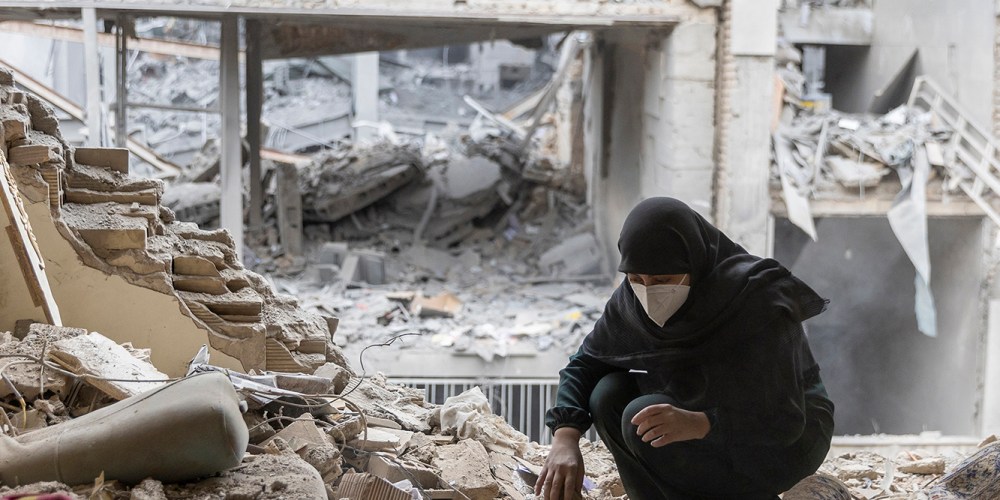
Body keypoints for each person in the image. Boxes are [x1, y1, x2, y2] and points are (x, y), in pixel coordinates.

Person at [536, 197, 835, 500]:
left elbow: (786, 420)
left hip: (787, 435)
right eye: (637, 279)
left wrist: (705, 423)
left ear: (693, 262)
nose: (649, 292)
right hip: (697, 403)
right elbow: (585, 364)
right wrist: (565, 437)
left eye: (663, 280)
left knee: (642, 414)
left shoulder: (757, 300)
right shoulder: (631, 301)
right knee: (607, 393)